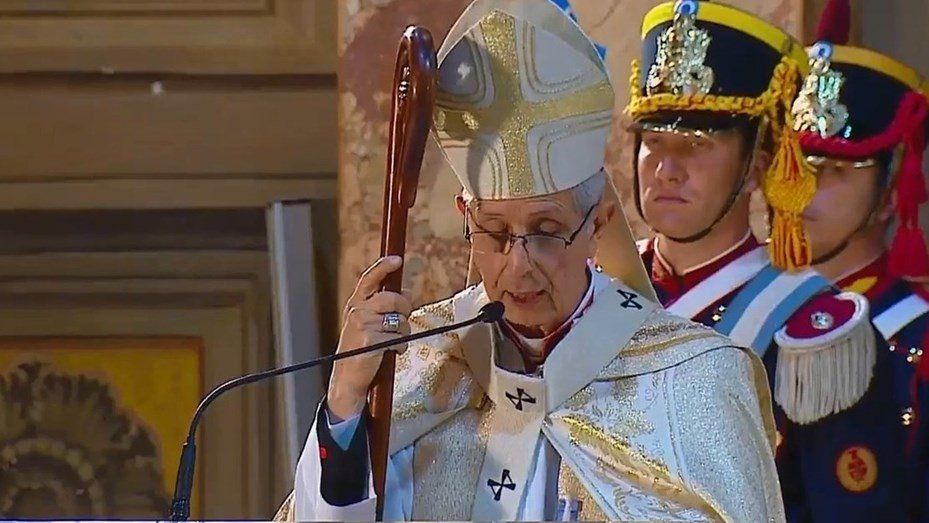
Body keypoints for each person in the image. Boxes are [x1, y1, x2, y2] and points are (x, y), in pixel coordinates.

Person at [274, 0, 783, 520]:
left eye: (546, 232)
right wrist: (345, 404)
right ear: (465, 217)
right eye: (494, 233)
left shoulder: (697, 378)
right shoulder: (420, 362)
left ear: (598, 224)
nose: (518, 266)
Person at [627, 0, 907, 520]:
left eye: (696, 145)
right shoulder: (594, 292)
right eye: (654, 141)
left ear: (757, 167)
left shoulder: (814, 336)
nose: (667, 169)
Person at [793, 0, 929, 518]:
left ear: (890, 195)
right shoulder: (755, 309)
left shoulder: (917, 339)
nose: (804, 190)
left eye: (833, 172)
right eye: (796, 168)